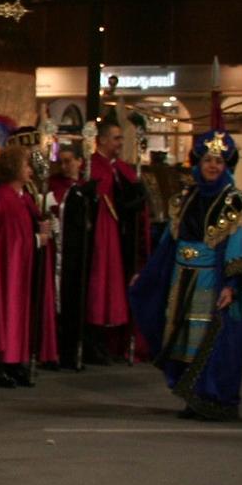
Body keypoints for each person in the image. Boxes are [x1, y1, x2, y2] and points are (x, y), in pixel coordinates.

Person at [128, 129, 242, 420]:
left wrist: (232, 284)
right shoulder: (186, 197)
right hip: (181, 279)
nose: (212, 166)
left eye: (219, 162)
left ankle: (213, 398)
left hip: (210, 281)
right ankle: (193, 396)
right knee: (183, 340)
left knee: (209, 341)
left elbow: (238, 244)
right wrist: (146, 276)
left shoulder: (233, 201)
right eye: (208, 160)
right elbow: (167, 244)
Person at [0, 141, 49, 389]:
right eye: (26, 164)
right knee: (9, 313)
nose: (30, 169)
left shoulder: (24, 197)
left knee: (20, 313)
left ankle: (17, 362)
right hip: (9, 269)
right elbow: (12, 238)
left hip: (22, 267)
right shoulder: (6, 198)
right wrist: (38, 238)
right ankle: (3, 364)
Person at [84, 120, 147, 364]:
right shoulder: (93, 166)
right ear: (101, 140)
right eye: (116, 138)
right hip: (102, 238)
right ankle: (95, 342)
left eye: (122, 138)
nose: (120, 143)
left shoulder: (122, 168)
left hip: (121, 237)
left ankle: (115, 342)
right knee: (99, 288)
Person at [47, 145, 96, 371]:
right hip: (57, 254)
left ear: (79, 162)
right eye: (62, 161)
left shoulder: (84, 188)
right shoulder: (54, 186)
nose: (65, 166)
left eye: (69, 161)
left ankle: (75, 350)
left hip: (78, 254)